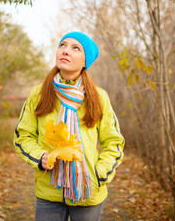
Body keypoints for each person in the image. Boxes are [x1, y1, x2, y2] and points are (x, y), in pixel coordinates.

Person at [14, 31, 124, 221]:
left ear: (85, 62)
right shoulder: (38, 94)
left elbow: (114, 143)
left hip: (88, 192)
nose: (65, 51)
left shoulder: (98, 97)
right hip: (49, 192)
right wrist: (41, 157)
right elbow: (23, 136)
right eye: (62, 45)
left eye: (75, 48)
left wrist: (98, 175)